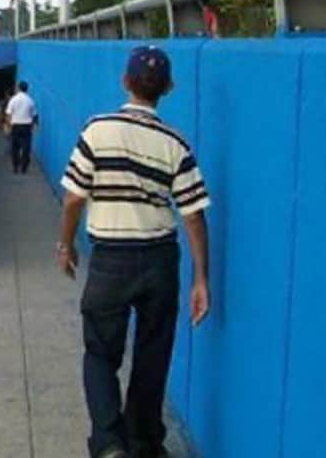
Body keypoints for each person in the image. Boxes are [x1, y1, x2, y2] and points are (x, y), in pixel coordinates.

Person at [56, 46, 211, 458]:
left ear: (125, 82)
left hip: (110, 260)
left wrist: (66, 244)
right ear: (169, 88)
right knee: (152, 353)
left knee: (100, 354)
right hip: (160, 260)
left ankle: (109, 445)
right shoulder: (176, 144)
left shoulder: (97, 130)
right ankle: (144, 443)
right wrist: (200, 279)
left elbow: (73, 199)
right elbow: (193, 215)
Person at [5, 81, 37, 173]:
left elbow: (8, 114)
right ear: (27, 89)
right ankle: (24, 168)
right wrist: (36, 125)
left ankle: (15, 167)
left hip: (15, 126)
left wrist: (8, 126)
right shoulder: (30, 100)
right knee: (26, 147)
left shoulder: (13, 100)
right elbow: (34, 115)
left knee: (15, 147)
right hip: (27, 127)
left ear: (18, 88)